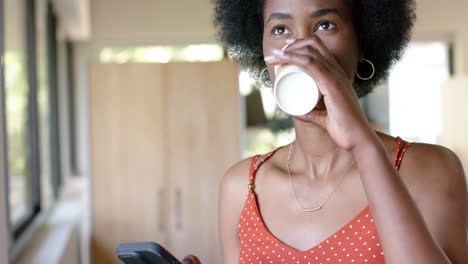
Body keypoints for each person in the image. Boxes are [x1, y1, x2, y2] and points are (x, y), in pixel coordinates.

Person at [184, 0, 468, 263]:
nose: (301, 48)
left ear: (363, 45)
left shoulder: (430, 168)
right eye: (280, 29)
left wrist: (363, 146)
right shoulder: (240, 187)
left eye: (324, 25)